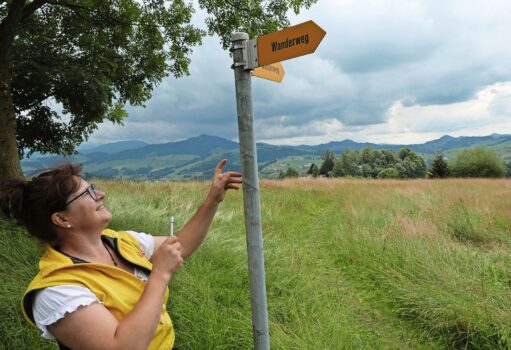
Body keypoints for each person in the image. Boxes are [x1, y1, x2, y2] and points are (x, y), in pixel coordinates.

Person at [0, 160, 242, 350]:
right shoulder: (57, 290)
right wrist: (159, 274)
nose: (101, 194)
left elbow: (179, 246)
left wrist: (213, 199)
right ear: (62, 219)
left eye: (93, 187)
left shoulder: (120, 242)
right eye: (87, 193)